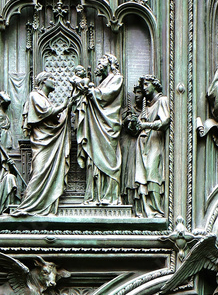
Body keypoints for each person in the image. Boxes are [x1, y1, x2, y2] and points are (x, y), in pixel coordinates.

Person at [13, 72, 72, 216]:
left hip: (50, 141)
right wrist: (64, 105)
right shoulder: (35, 96)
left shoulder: (46, 99)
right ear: (43, 81)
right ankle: (27, 206)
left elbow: (54, 118)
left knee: (50, 172)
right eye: (51, 79)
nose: (54, 81)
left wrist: (68, 106)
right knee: (39, 172)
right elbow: (45, 113)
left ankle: (46, 206)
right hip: (41, 142)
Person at [77, 53, 123, 205]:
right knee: (95, 159)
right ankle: (96, 196)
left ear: (110, 63)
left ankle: (110, 197)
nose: (99, 63)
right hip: (96, 127)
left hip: (109, 125)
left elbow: (107, 96)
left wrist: (93, 93)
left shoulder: (117, 78)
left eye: (102, 60)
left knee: (109, 159)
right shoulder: (102, 82)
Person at [134, 75, 170, 217]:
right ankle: (145, 209)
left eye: (147, 84)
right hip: (143, 144)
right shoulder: (147, 106)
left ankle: (156, 210)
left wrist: (146, 125)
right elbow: (139, 125)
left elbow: (165, 121)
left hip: (155, 142)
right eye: (143, 85)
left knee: (152, 173)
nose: (144, 87)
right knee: (142, 176)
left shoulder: (162, 101)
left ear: (155, 84)